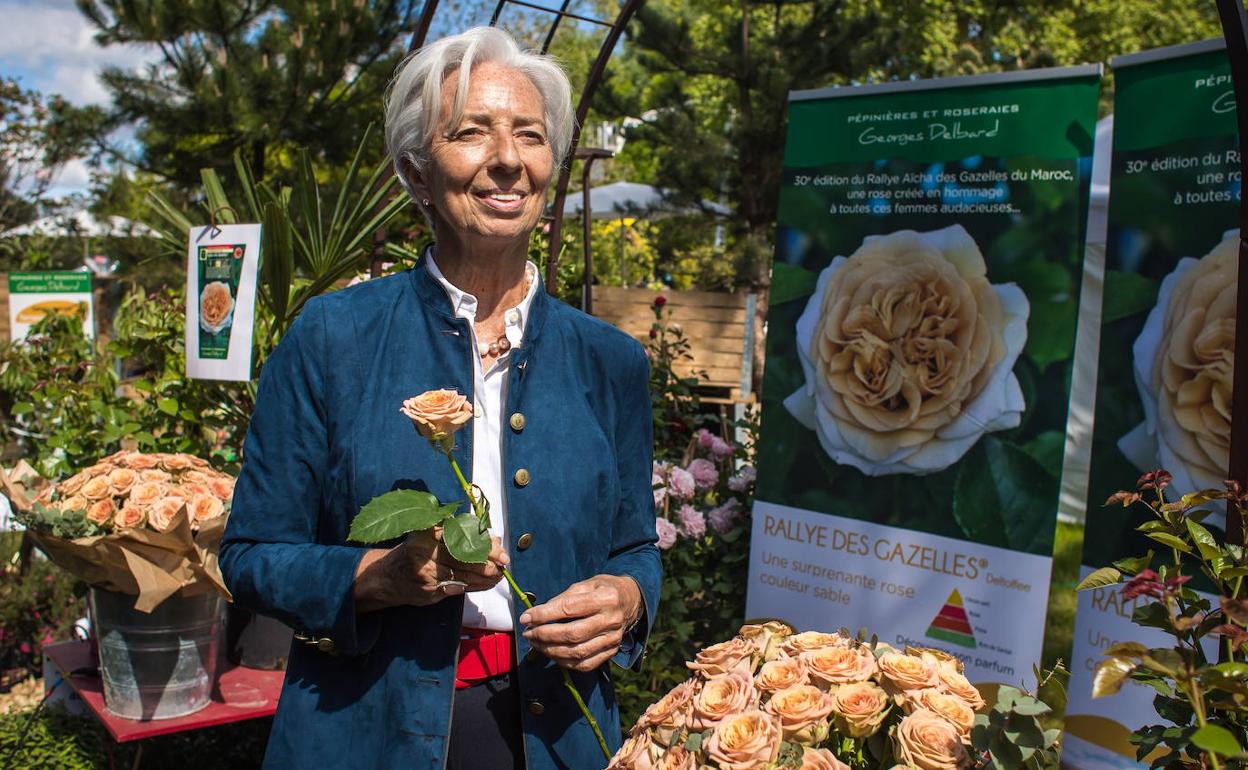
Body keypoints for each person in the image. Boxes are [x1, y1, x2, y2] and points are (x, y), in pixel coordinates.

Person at [219, 27, 660, 770]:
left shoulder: (609, 361)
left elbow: (635, 547)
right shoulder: (334, 337)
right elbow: (250, 553)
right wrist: (373, 578)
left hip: (556, 733)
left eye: (530, 135)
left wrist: (628, 596)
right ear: (416, 172)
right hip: (368, 731)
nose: (508, 159)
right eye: (471, 132)